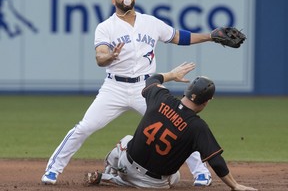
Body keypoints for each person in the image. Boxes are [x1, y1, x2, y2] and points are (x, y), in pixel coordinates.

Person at [41, 0, 233, 186]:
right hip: (114, 88)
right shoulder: (106, 27)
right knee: (84, 127)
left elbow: (179, 37)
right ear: (113, 0)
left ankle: (201, 173)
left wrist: (211, 37)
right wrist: (110, 57)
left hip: (146, 88)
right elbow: (100, 57)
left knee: (178, 125)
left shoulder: (150, 22)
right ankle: (53, 170)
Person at [84, 62, 258, 190]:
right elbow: (217, 162)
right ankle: (114, 180)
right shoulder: (198, 127)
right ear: (207, 102)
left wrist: (172, 75)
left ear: (187, 91)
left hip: (127, 167)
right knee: (175, 177)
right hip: (155, 184)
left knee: (126, 140)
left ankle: (111, 174)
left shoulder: (161, 97)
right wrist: (235, 186)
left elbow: (152, 79)